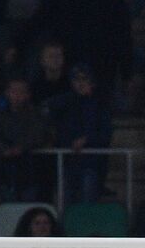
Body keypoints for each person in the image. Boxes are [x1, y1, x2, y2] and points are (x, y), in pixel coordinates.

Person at [47, 64, 113, 204]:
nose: (80, 83)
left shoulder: (101, 104)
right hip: (67, 162)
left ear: (92, 81)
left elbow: (106, 134)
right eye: (76, 79)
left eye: (84, 79)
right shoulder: (63, 102)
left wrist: (87, 140)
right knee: (63, 206)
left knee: (86, 206)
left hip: (91, 165)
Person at [0, 77, 49, 202]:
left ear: (28, 94)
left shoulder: (35, 114)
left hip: (29, 169)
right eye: (13, 91)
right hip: (4, 170)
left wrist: (21, 147)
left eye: (21, 91)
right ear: (7, 93)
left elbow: (38, 135)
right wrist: (3, 149)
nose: (17, 95)